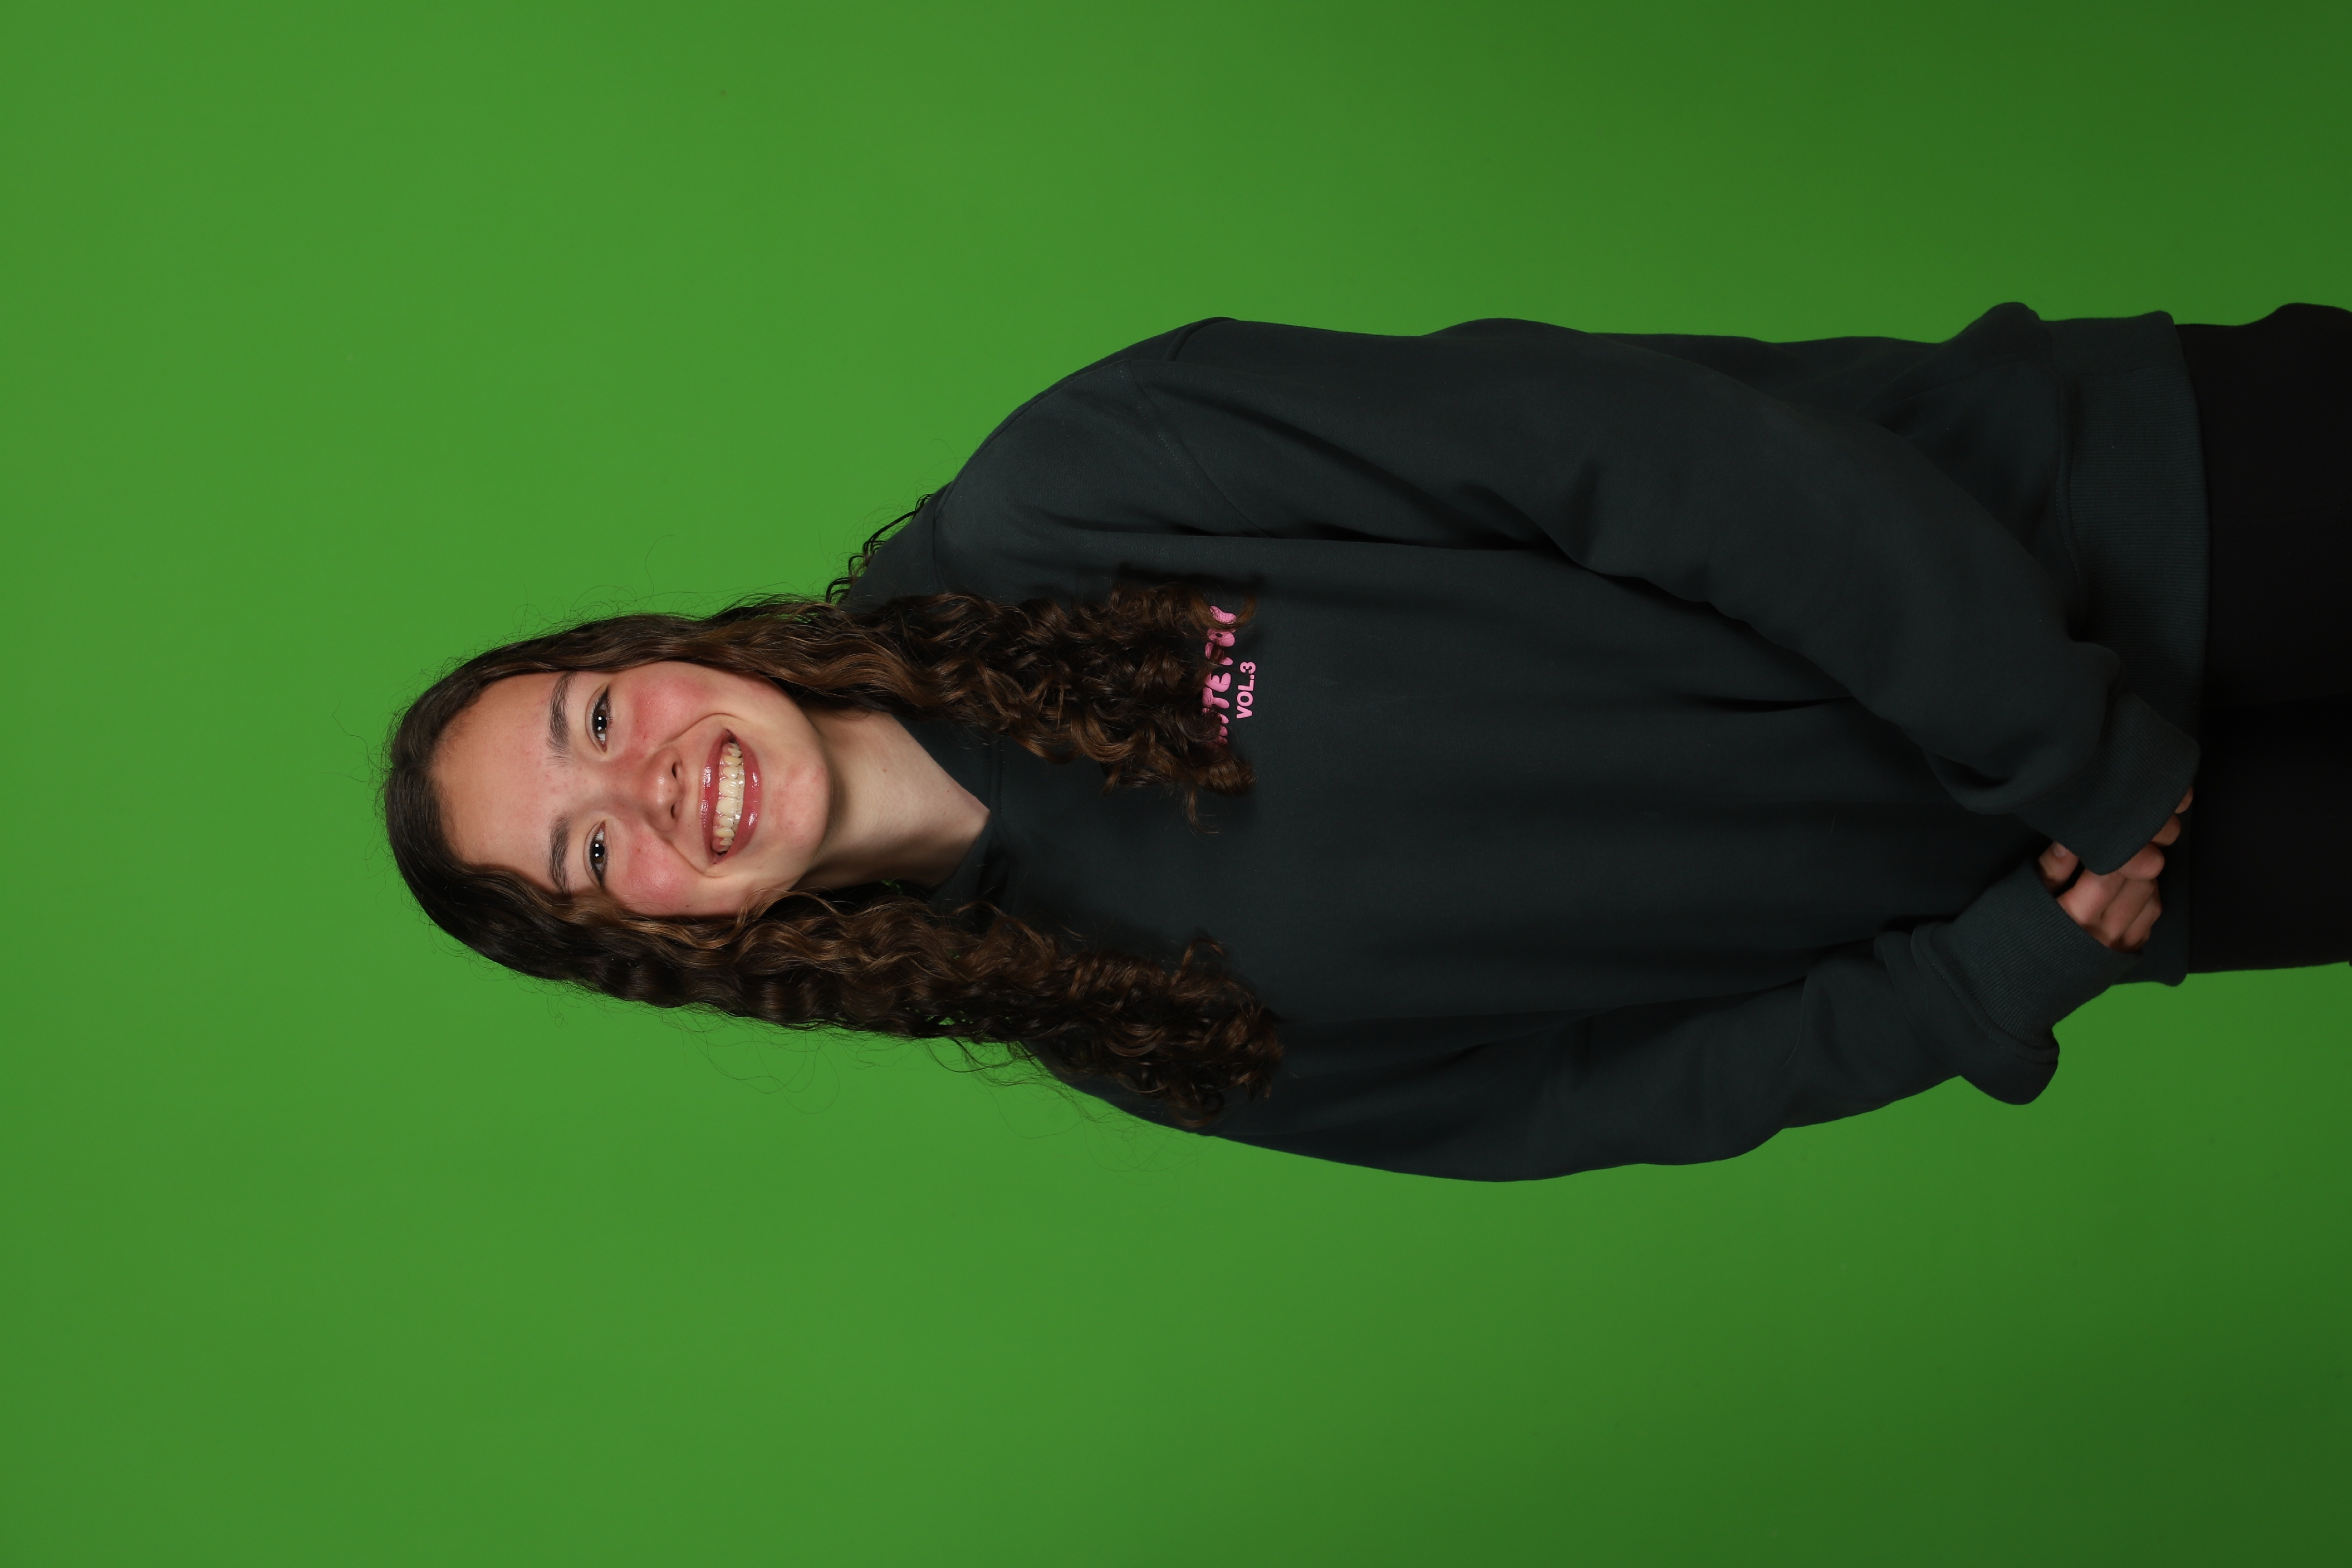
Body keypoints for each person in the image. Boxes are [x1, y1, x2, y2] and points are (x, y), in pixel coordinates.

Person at [385, 302, 2349, 1181]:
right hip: (2101, 880)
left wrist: (2054, 736)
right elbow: (1594, 1099)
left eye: (591, 720)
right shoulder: (1120, 1028)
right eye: (586, 850)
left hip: (2140, 506)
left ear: (654, 655)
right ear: (662, 940)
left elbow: (1646, 456)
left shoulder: (1074, 490)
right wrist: (1987, 979)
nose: (644, 784)